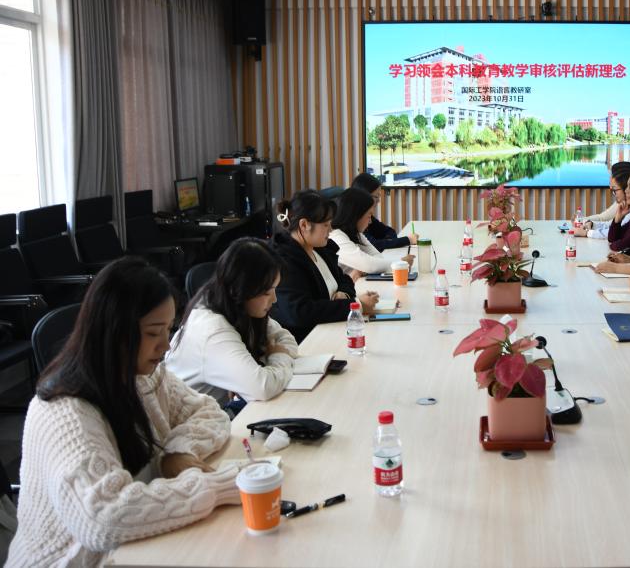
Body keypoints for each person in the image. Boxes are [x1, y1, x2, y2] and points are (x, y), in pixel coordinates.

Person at [8, 258, 240, 567]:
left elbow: (209, 412)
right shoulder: (64, 411)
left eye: (169, 329)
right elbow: (103, 517)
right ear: (115, 332)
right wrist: (218, 487)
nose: (165, 345)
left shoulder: (142, 375)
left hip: (134, 548)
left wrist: (177, 452)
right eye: (153, 333)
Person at [165, 238, 298, 410]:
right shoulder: (212, 329)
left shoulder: (237, 306)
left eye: (274, 289)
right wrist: (279, 356)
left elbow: (287, 340)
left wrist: (260, 367)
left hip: (217, 413)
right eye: (267, 292)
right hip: (189, 420)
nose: (274, 299)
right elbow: (262, 388)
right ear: (241, 289)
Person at [271, 190, 378, 342]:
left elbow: (345, 280)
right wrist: (356, 305)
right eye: (326, 224)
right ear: (304, 225)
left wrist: (343, 294)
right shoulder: (284, 260)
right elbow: (300, 312)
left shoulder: (319, 248)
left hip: (332, 330)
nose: (331, 229)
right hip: (307, 342)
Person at [329, 187, 415, 277]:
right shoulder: (336, 237)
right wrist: (399, 264)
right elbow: (368, 265)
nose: (370, 221)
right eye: (369, 216)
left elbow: (377, 257)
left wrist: (367, 269)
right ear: (356, 216)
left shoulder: (356, 234)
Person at [350, 172, 418, 251]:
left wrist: (385, 242)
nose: (378, 200)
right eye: (376, 196)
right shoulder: (356, 218)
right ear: (364, 195)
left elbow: (390, 231)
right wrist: (408, 240)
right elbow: (374, 245)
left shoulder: (366, 214)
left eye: (379, 196)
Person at [577, 161, 630, 237]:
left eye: (614, 189)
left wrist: (587, 232)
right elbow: (610, 225)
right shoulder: (626, 206)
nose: (610, 182)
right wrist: (591, 224)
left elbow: (612, 232)